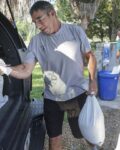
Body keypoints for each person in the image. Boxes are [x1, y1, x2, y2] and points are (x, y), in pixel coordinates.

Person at [0, 1, 97, 150]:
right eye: (34, 22)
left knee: (84, 132)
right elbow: (26, 69)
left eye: (40, 19)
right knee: (54, 137)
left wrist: (92, 80)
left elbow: (90, 57)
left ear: (52, 13)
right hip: (52, 98)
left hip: (75, 95)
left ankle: (97, 146)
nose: (38, 25)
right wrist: (5, 69)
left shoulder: (75, 31)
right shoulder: (36, 42)